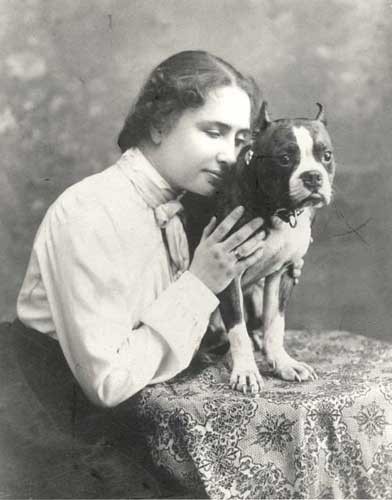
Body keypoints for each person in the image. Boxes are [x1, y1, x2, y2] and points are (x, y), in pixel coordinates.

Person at [16, 50, 266, 408]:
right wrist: (199, 284)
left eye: (240, 141)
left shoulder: (187, 204)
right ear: (159, 124)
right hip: (51, 413)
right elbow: (107, 384)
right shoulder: (90, 212)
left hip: (142, 400)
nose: (229, 155)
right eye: (214, 132)